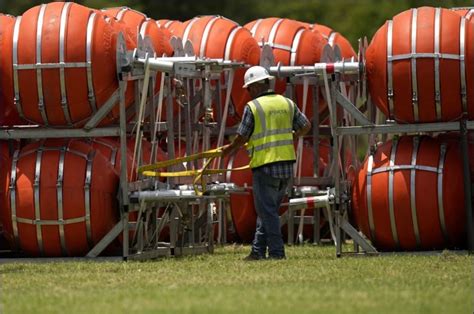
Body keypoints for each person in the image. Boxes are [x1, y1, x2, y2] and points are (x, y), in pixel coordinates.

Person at [223, 66, 311, 260]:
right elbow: (306, 126)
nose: (247, 92)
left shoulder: (253, 107)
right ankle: (257, 251)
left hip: (266, 166)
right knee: (267, 211)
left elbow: (242, 136)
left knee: (268, 212)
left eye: (248, 88)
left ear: (255, 87)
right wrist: (293, 137)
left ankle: (277, 253)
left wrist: (228, 150)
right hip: (286, 166)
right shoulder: (287, 103)